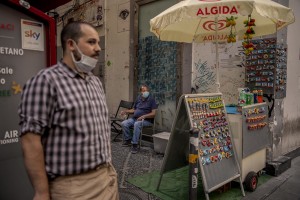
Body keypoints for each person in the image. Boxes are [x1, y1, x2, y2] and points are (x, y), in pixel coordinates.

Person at [18, 21, 119, 200]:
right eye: (91, 42)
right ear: (71, 44)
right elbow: (30, 140)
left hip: (107, 178)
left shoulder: (94, 81)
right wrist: (42, 192)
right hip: (74, 187)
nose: (98, 48)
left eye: (98, 42)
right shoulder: (46, 81)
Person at [121, 85, 158, 154]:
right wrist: (126, 111)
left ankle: (134, 145)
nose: (145, 92)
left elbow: (153, 114)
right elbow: (134, 110)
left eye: (146, 91)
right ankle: (128, 140)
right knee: (124, 123)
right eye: (143, 91)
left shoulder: (151, 100)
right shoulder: (138, 98)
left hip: (146, 121)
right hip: (135, 118)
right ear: (141, 92)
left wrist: (144, 116)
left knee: (137, 124)